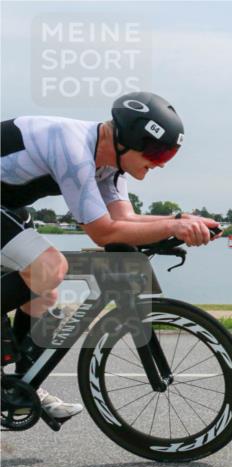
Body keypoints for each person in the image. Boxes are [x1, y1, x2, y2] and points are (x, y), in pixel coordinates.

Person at [1, 92, 218, 420]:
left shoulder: (110, 167)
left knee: (45, 287)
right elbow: (103, 232)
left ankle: (19, 386)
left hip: (8, 202)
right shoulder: (73, 148)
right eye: (159, 153)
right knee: (49, 267)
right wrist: (173, 225)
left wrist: (179, 223)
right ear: (129, 140)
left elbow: (124, 221)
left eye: (169, 156)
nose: (160, 163)